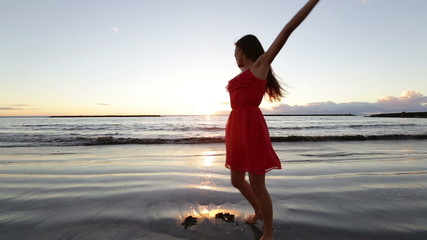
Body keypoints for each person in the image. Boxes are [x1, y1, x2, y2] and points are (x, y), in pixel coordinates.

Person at [225, 1, 320, 239]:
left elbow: (287, 30)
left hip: (252, 128)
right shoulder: (239, 76)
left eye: (236, 51)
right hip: (235, 128)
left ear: (245, 50)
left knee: (257, 184)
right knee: (237, 180)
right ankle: (257, 209)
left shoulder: (260, 66)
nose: (234, 56)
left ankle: (268, 232)